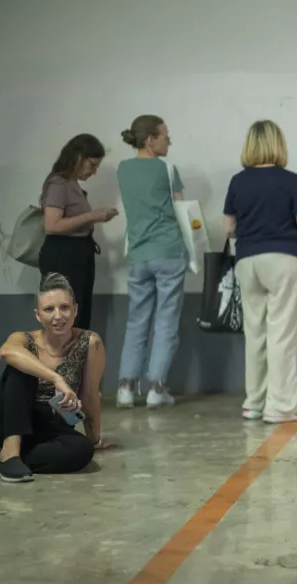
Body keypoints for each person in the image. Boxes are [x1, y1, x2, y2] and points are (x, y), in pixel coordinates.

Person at [223, 120, 297, 423]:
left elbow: (229, 228)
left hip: (247, 261)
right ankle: (281, 407)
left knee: (256, 333)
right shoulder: (289, 180)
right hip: (283, 258)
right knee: (283, 335)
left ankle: (254, 402)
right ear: (278, 144)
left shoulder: (238, 181)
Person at [0, 274, 112, 483]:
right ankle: (9, 451)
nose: (58, 316)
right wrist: (57, 379)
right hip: (8, 418)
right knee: (23, 368)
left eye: (64, 308)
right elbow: (6, 351)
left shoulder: (90, 342)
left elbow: (90, 394)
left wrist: (95, 439)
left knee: (82, 450)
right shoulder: (24, 339)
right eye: (49, 309)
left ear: (75, 310)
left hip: (49, 426)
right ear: (38, 315)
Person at [114, 115, 188, 409]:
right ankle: (157, 388)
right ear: (150, 140)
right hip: (168, 252)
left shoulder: (123, 169)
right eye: (165, 135)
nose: (169, 140)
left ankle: (125, 388)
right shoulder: (167, 170)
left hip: (139, 255)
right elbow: (182, 210)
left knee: (136, 321)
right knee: (166, 320)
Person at [38, 134, 119, 330]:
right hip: (64, 257)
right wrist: (93, 216)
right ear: (78, 158)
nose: (94, 171)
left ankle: (76, 360)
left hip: (78, 255)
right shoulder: (59, 183)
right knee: (66, 321)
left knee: (79, 318)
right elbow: (52, 225)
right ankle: (64, 361)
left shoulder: (72, 184)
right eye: (92, 165)